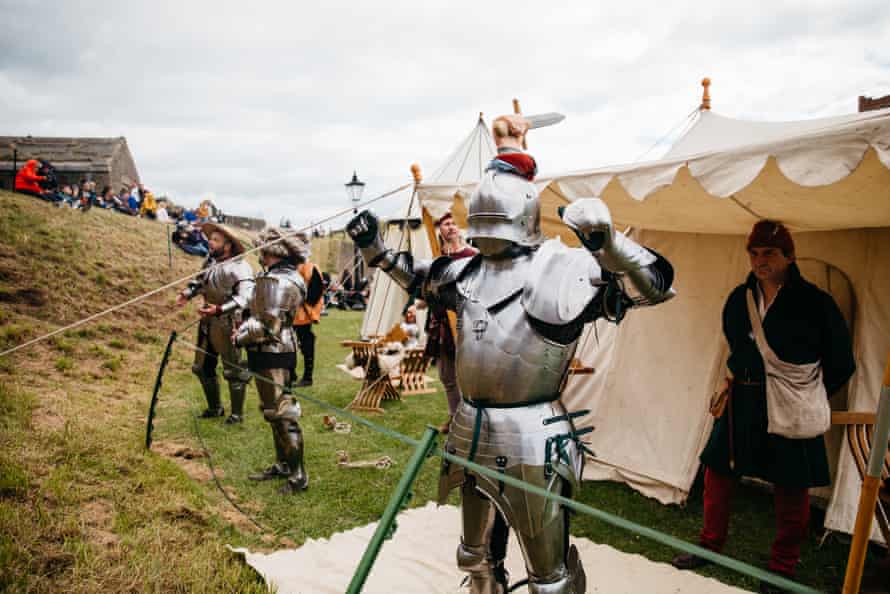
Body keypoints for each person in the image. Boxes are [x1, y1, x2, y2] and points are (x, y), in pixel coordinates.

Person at [347, 113, 675, 594]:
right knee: (474, 556)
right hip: (471, 426)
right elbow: (419, 276)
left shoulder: (560, 268)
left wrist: (608, 245)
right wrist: (376, 249)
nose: (483, 233)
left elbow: (655, 287)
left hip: (532, 435)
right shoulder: (468, 271)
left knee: (549, 580)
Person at [671, 220, 855, 594]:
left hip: (789, 405)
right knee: (718, 471)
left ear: (789, 256)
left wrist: (807, 393)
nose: (760, 260)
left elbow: (841, 362)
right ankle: (709, 545)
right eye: (754, 253)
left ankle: (782, 566)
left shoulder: (815, 303)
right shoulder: (740, 299)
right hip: (744, 400)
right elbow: (735, 342)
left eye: (769, 253)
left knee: (792, 486)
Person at [236, 228, 310, 495]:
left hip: (274, 350)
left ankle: (298, 476)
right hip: (269, 350)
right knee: (272, 412)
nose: (259, 254)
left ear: (272, 251)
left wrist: (239, 337)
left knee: (282, 414)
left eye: (262, 249)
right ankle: (283, 465)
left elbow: (268, 326)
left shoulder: (281, 281)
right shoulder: (276, 277)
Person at [176, 222, 254, 424]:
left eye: (215, 240)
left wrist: (220, 309)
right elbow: (199, 282)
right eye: (211, 239)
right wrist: (187, 293)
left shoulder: (241, 267)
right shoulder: (210, 262)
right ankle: (215, 407)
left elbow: (245, 298)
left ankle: (236, 415)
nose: (210, 242)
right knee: (201, 367)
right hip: (207, 321)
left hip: (229, 323)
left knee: (233, 371)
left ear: (228, 245)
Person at [419, 211, 477, 434]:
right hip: (442, 324)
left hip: (468, 324)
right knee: (446, 376)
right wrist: (421, 302)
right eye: (446, 224)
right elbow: (425, 294)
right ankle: (455, 418)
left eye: (454, 223)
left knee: (471, 378)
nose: (451, 227)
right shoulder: (436, 260)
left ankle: (472, 421)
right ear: (439, 231)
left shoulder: (473, 256)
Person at [293, 255, 323, 387]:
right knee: (287, 342)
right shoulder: (288, 266)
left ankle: (307, 377)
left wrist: (306, 303)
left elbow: (316, 289)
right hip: (289, 311)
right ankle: (290, 373)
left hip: (302, 313)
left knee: (306, 342)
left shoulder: (309, 267)